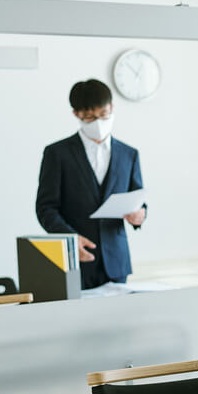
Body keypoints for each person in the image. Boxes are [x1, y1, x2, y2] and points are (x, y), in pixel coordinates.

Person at [35, 79, 146, 289]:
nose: (98, 122)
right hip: (75, 261)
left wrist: (140, 215)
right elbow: (45, 207)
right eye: (89, 117)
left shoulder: (129, 154)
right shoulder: (57, 154)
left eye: (103, 115)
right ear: (76, 114)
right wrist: (69, 238)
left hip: (117, 262)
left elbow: (137, 199)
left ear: (112, 108)